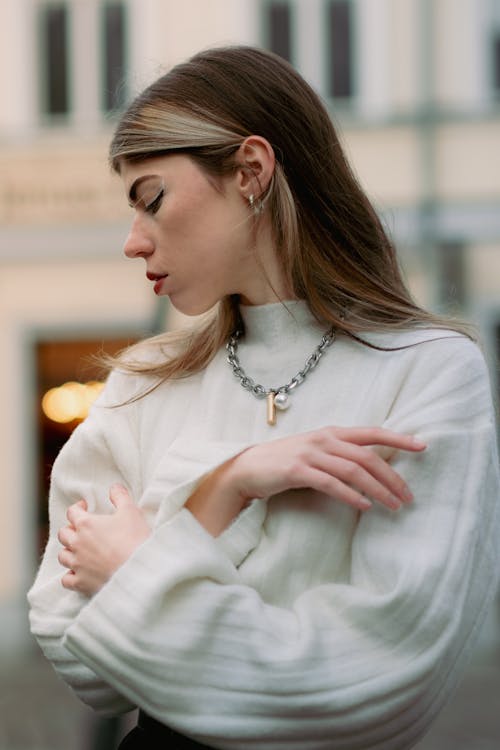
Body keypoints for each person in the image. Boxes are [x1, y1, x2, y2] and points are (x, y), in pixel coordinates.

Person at [28, 46, 500, 750]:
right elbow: (74, 652)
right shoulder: (143, 382)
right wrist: (223, 486)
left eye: (152, 199)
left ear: (251, 171)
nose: (132, 240)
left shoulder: (428, 373)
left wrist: (135, 567)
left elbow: (373, 684)